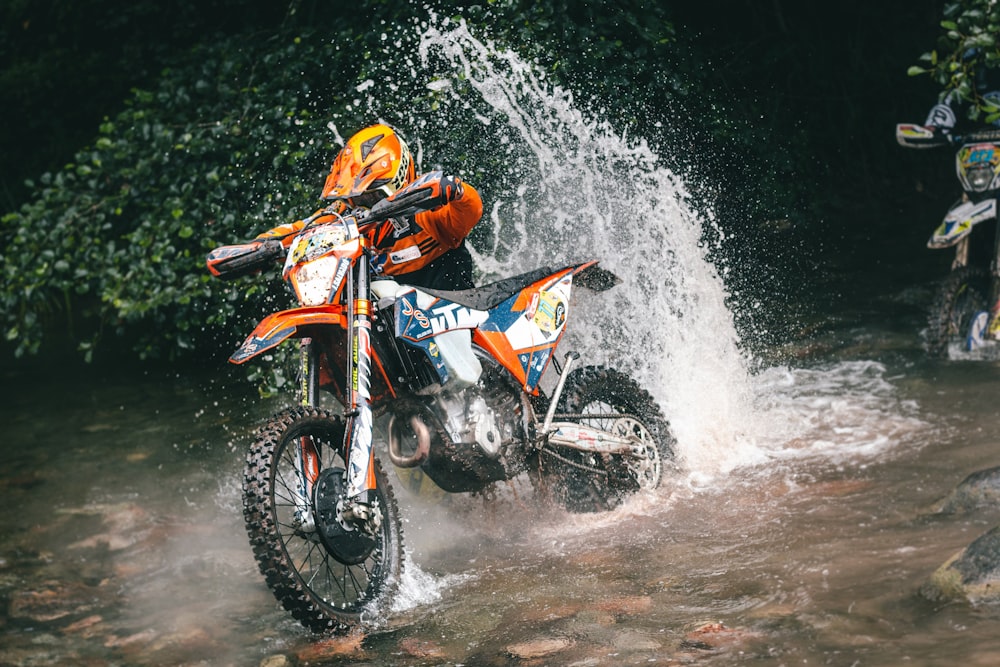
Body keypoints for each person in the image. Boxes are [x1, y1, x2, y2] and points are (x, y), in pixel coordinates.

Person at [256, 123, 483, 291]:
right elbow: (302, 229)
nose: (362, 208)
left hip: (453, 321)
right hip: (385, 328)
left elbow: (470, 209)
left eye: (371, 196)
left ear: (399, 181)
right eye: (356, 200)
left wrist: (456, 189)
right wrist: (261, 247)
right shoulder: (344, 217)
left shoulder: (427, 213)